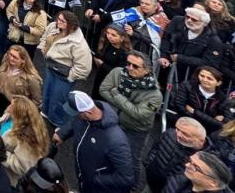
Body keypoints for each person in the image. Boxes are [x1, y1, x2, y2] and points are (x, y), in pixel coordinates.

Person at [98, 49, 162, 191]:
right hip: (115, 120)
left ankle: (133, 186)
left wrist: (116, 94)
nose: (129, 68)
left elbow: (138, 114)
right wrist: (127, 105)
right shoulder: (117, 72)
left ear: (146, 70)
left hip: (136, 130)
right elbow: (103, 90)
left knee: (132, 158)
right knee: (109, 150)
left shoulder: (155, 94)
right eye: (128, 63)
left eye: (135, 66)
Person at [53, 91, 134, 193]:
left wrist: (93, 179)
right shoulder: (86, 115)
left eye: (78, 113)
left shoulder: (116, 141)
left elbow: (126, 178)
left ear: (88, 113)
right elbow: (75, 121)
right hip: (84, 180)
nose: (77, 116)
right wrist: (62, 133)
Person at [38, 10, 93, 127]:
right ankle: (46, 112)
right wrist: (42, 48)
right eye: (58, 19)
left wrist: (70, 77)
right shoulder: (53, 27)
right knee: (47, 92)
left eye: (63, 21)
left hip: (63, 76)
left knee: (58, 99)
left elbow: (84, 67)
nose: (58, 22)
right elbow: (44, 37)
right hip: (50, 68)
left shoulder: (79, 44)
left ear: (71, 25)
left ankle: (56, 121)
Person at [0, 95, 49, 186]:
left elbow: (22, 166)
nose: (9, 107)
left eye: (12, 106)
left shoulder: (29, 139)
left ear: (19, 113)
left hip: (7, 178)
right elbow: (1, 122)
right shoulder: (10, 115)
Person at [146, 117, 216, 193]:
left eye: (185, 134)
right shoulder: (169, 134)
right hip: (151, 182)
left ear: (201, 140)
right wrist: (149, 165)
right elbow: (155, 148)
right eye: (177, 129)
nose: (178, 134)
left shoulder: (209, 160)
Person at [0, 44, 43, 120]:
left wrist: (24, 113)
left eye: (15, 57)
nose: (11, 58)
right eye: (10, 55)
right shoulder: (5, 63)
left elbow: (36, 101)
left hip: (14, 107)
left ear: (23, 60)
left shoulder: (31, 78)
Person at [165, 152, 233, 193]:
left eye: (196, 167)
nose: (187, 165)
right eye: (189, 161)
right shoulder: (178, 179)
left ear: (213, 183)